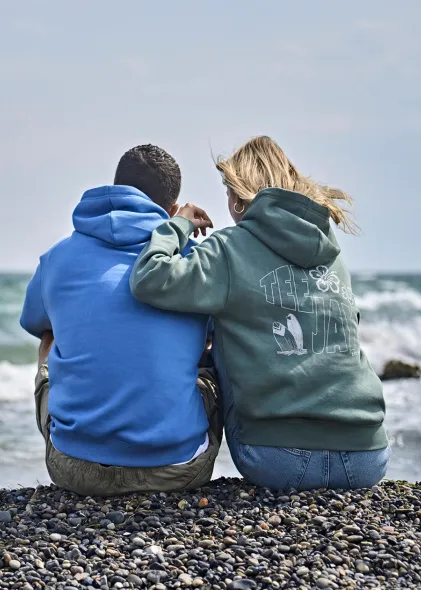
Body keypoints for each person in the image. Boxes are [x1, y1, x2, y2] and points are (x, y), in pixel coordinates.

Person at [130, 136, 390, 490]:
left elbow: (149, 279)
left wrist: (179, 224)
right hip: (368, 457)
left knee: (220, 334)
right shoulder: (331, 252)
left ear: (238, 197)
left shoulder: (228, 248)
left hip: (279, 459)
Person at [20, 144, 222, 497]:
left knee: (51, 335)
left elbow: (35, 323)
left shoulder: (57, 258)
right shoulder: (192, 261)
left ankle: (88, 434)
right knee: (210, 350)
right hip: (177, 470)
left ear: (115, 186)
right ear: (172, 211)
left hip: (74, 468)